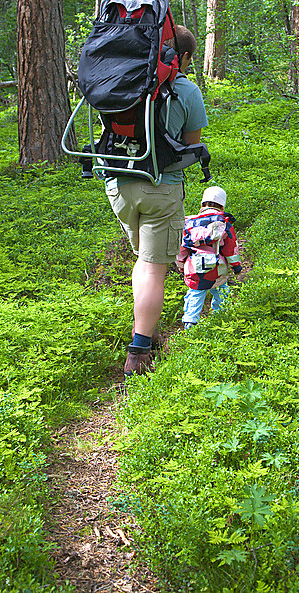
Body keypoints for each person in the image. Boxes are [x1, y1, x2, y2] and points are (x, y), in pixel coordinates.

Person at [104, 26, 208, 377]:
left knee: (143, 260)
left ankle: (144, 328)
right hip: (161, 189)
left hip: (118, 186)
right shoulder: (187, 90)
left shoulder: (122, 81)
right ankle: (139, 351)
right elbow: (189, 148)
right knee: (152, 267)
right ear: (186, 57)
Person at [176, 186, 242, 328]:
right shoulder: (224, 222)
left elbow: (181, 248)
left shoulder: (188, 223)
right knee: (221, 289)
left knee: (195, 292)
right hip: (217, 268)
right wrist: (236, 265)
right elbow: (231, 248)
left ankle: (190, 322)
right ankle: (221, 316)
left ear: (202, 204)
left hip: (195, 267)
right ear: (222, 205)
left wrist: (181, 265)